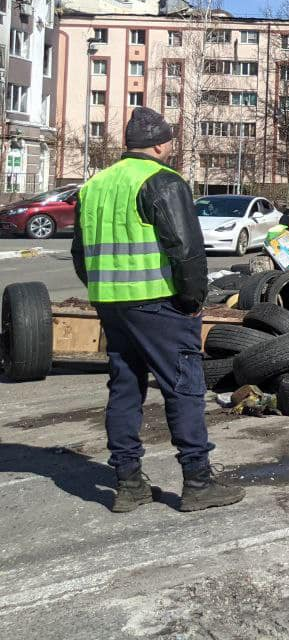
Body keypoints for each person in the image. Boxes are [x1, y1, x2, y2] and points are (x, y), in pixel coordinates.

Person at [72, 107, 244, 513]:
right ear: (163, 144)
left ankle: (129, 485)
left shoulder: (94, 186)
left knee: (124, 387)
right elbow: (186, 251)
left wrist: (102, 290)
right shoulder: (163, 181)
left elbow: (80, 254)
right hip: (159, 302)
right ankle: (198, 482)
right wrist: (191, 302)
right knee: (183, 386)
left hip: (112, 303)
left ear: (128, 145)